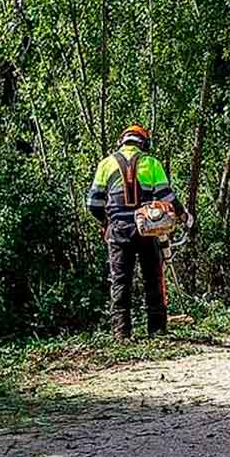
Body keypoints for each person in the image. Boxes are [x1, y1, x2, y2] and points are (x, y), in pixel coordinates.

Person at [85, 125, 186, 341]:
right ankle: (157, 332)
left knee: (120, 281)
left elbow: (93, 204)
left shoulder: (106, 164)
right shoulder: (151, 163)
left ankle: (122, 333)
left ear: (122, 142)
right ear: (143, 143)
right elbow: (166, 197)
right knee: (153, 279)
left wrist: (107, 222)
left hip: (118, 231)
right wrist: (183, 215)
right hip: (149, 229)